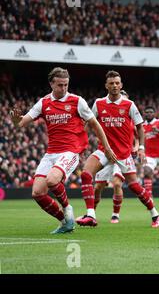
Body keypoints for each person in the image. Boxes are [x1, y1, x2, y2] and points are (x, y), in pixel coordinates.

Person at [10, 67, 116, 234]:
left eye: (66, 85)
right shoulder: (44, 102)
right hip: (51, 153)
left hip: (70, 151)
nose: (63, 88)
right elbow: (23, 122)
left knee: (52, 180)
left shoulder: (77, 101)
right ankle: (65, 222)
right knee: (37, 193)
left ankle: (67, 208)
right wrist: (17, 121)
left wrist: (107, 147)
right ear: (51, 84)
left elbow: (96, 125)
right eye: (60, 85)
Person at [76, 71, 159, 228]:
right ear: (106, 85)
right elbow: (89, 124)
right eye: (111, 83)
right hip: (104, 151)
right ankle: (91, 215)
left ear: (121, 85)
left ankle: (155, 214)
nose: (114, 85)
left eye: (117, 83)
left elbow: (140, 128)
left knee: (134, 186)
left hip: (123, 154)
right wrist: (79, 144)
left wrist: (141, 148)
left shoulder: (129, 105)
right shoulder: (98, 104)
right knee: (87, 175)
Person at [93, 90, 135, 224]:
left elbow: (140, 134)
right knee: (98, 188)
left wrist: (138, 146)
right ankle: (91, 213)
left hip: (121, 156)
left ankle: (115, 214)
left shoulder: (130, 118)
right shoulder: (109, 113)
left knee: (117, 183)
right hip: (106, 153)